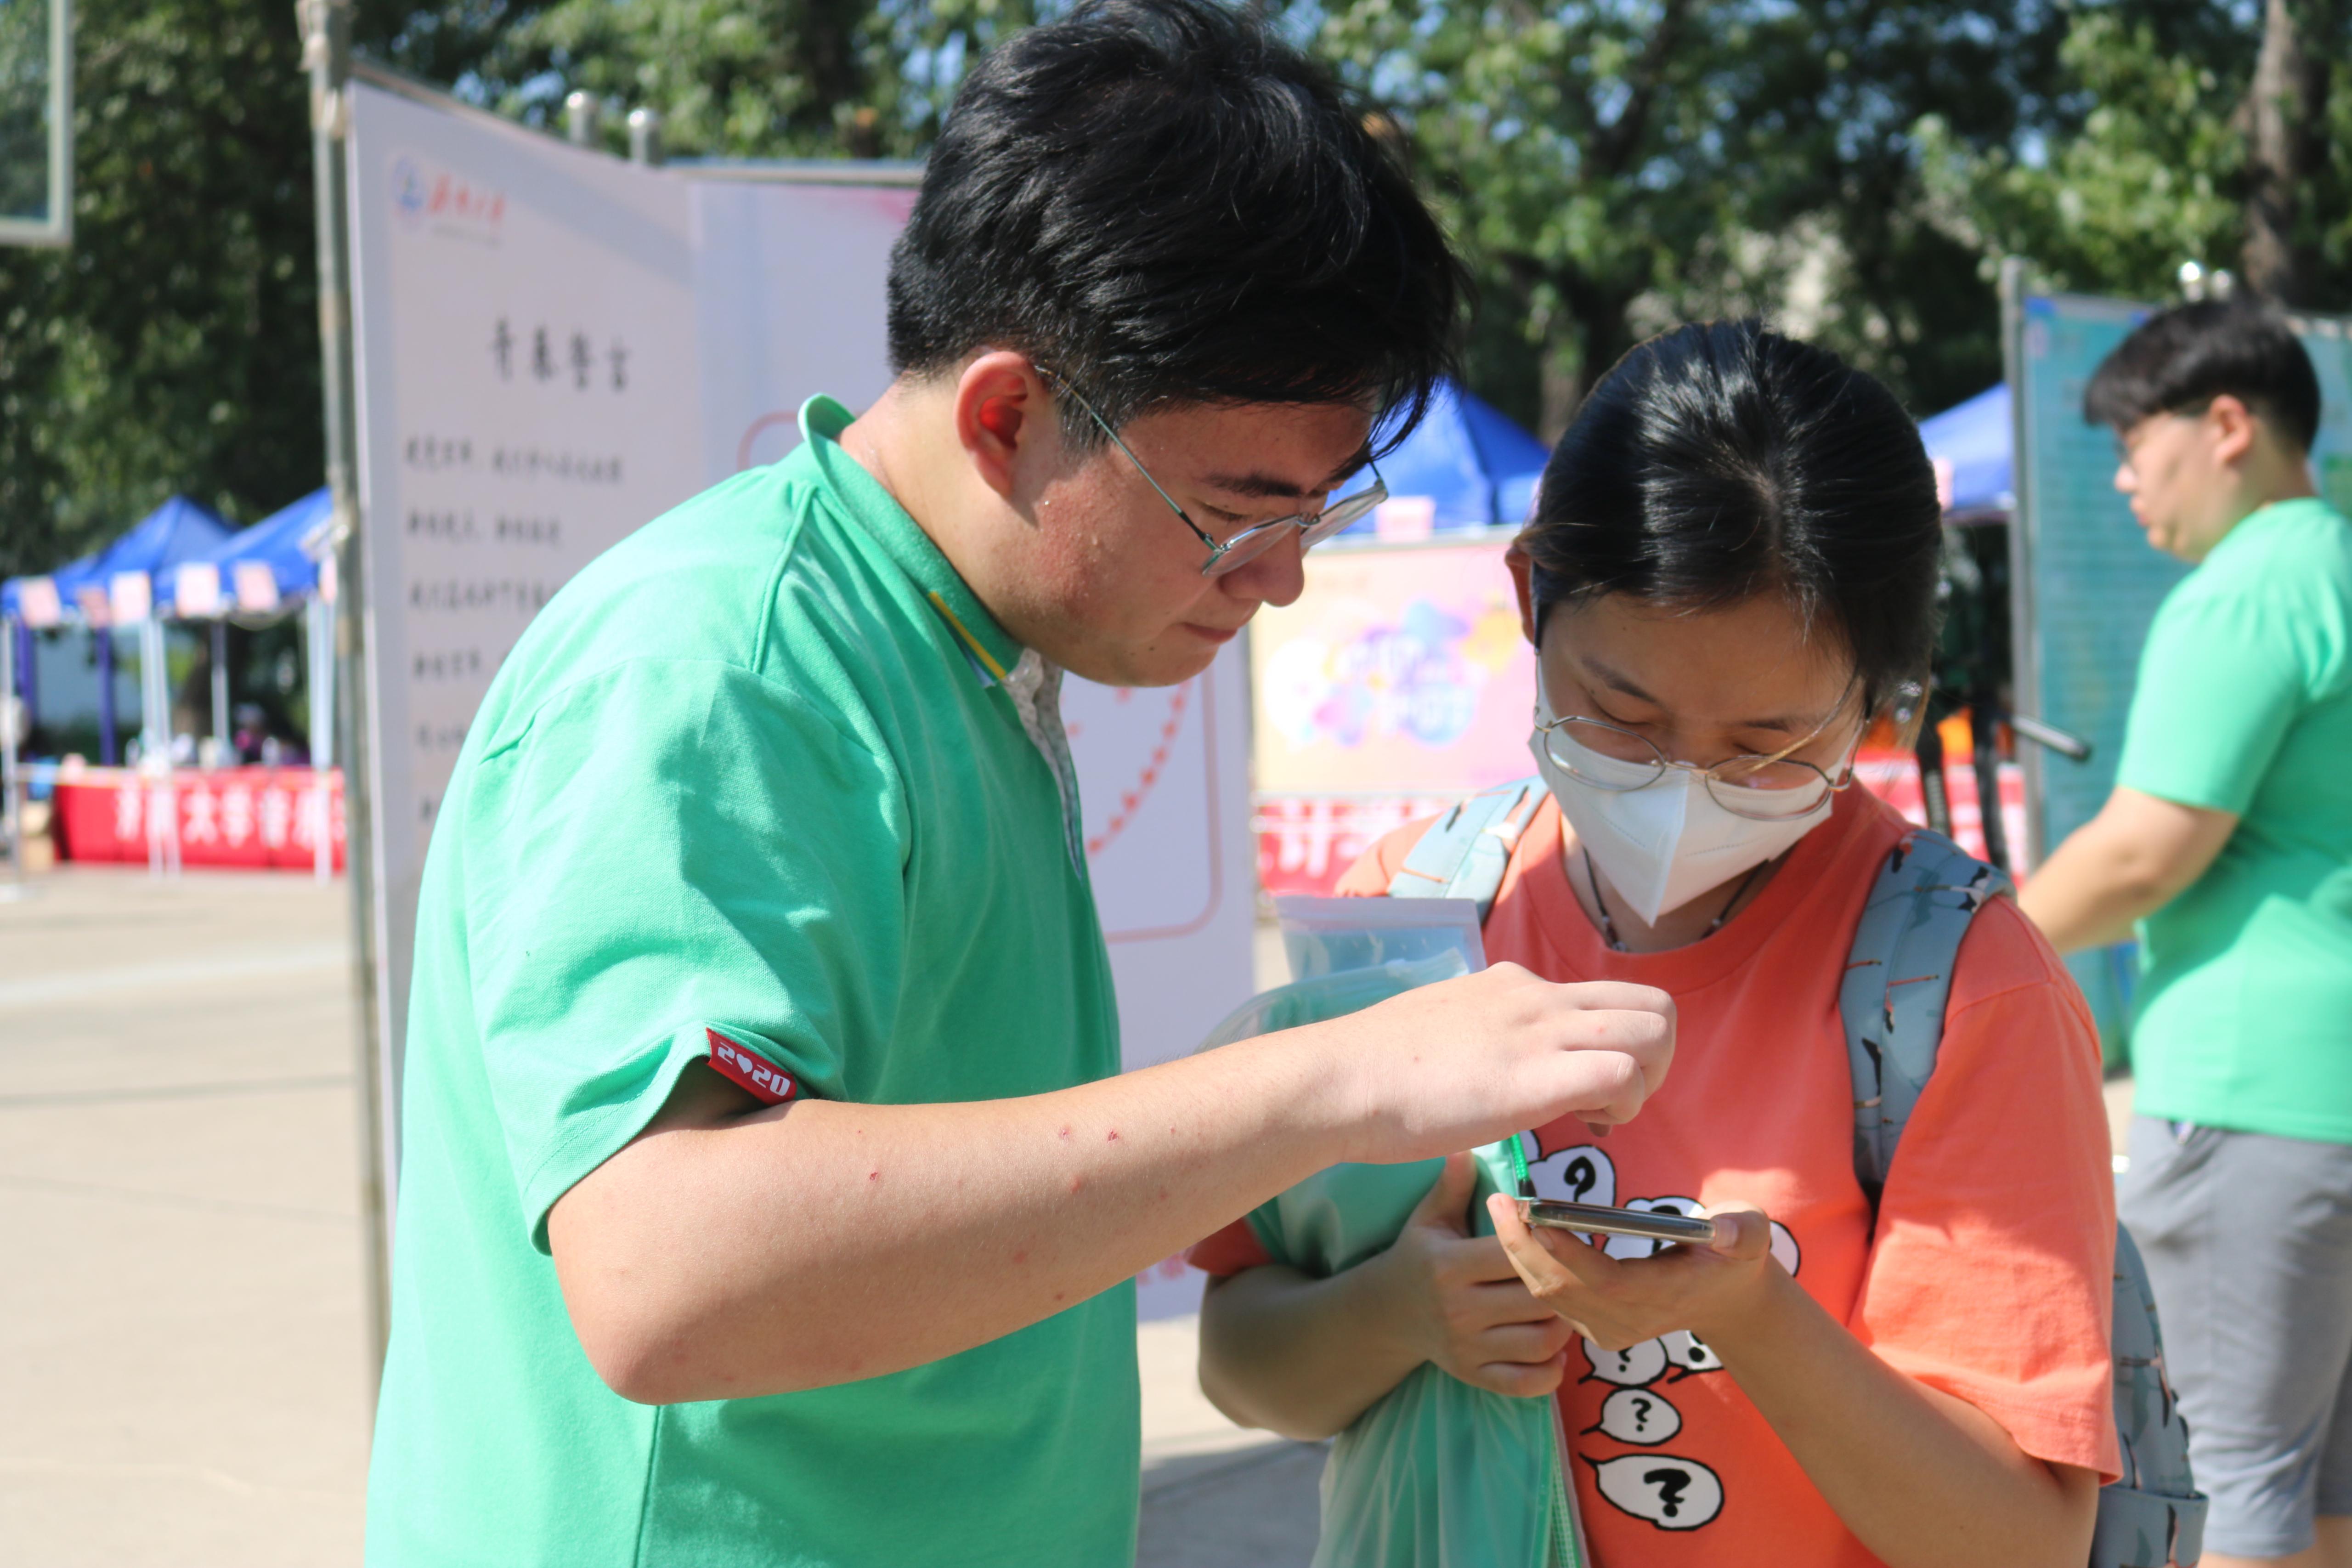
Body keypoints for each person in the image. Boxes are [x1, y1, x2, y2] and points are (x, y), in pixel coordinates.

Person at [360, 3, 1680, 1564]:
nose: (1278, 582)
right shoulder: (722, 666)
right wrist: (1335, 1085)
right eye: (1239, 514)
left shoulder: (961, 654)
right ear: (1007, 416)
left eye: (1316, 518)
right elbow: (668, 1273)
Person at [1191, 321, 2121, 1567]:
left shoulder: (1963, 991)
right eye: (1620, 716)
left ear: (1881, 704)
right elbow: (1241, 1362)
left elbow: (2019, 1544)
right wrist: (1401, 1313)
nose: (1684, 786)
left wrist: (1755, 1317)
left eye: (1767, 747)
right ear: (1530, 595)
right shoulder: (1411, 915)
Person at [2019, 300, 2352, 1568]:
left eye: (2134, 442)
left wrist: (1980, 946)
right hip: (2330, 1108)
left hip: (2253, 1103)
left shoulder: (2247, 593)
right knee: (2327, 1493)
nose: (2123, 478)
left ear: (2225, 425)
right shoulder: (2339, 568)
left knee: (2231, 1488)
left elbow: (2145, 852)